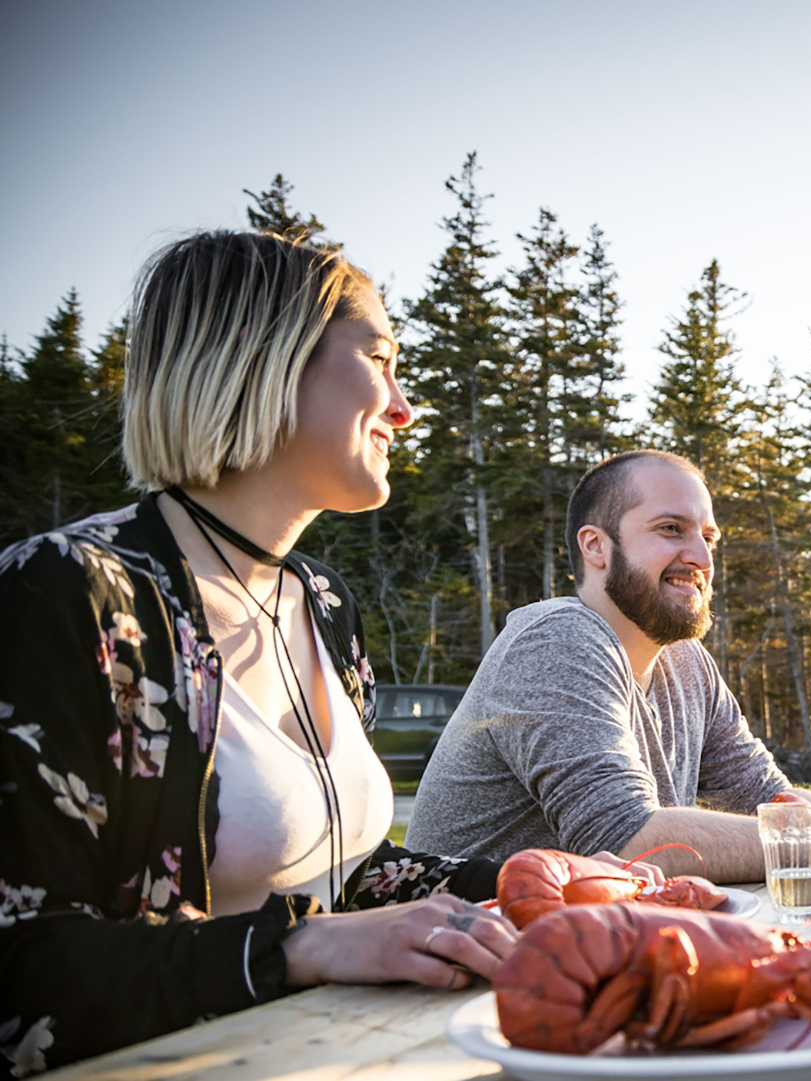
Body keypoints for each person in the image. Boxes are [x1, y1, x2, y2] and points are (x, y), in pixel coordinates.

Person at [0, 231, 519, 1075]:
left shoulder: (322, 603)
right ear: (264, 359)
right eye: (381, 360)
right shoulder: (63, 594)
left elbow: (352, 878)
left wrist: (520, 881)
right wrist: (296, 948)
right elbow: (23, 964)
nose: (403, 407)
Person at [405, 450, 811, 883]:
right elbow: (628, 841)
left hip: (591, 950)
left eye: (709, 536)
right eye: (671, 529)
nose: (700, 556)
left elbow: (769, 799)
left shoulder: (686, 663)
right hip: (452, 968)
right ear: (596, 547)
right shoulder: (554, 639)